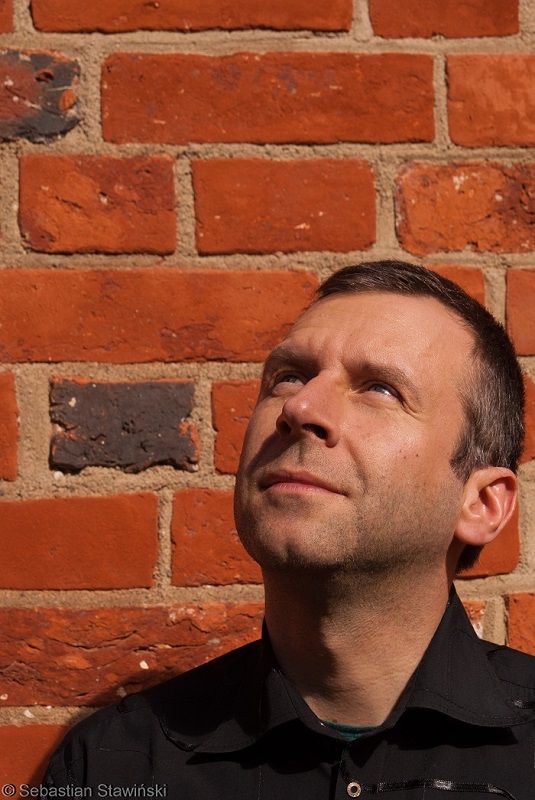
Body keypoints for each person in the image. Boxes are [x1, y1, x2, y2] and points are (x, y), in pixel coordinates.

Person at [44, 260, 534, 799]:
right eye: (289, 377)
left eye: (380, 389)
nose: (300, 408)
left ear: (481, 503)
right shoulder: (115, 767)